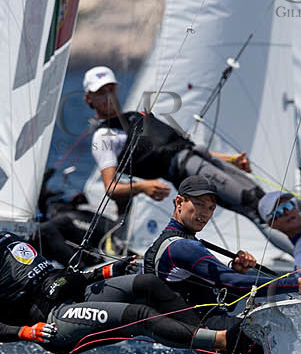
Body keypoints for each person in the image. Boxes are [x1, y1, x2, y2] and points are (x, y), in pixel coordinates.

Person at [0, 184, 236, 354]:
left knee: (147, 284)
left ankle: (206, 339)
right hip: (53, 320)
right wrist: (27, 332)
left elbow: (54, 277)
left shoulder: (4, 238)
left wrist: (105, 272)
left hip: (74, 294)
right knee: (140, 316)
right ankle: (221, 341)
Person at [142, 177, 301, 354]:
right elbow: (232, 283)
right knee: (279, 319)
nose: (204, 213)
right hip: (221, 343)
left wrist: (235, 269)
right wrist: (299, 283)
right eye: (199, 204)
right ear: (179, 202)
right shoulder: (181, 247)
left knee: (267, 312)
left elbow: (200, 290)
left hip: (209, 343)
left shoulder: (168, 243)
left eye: (211, 208)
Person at [83, 66, 272, 231]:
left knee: (262, 202)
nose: (107, 97)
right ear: (88, 98)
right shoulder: (104, 136)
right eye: (100, 93)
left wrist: (230, 160)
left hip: (201, 159)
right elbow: (110, 188)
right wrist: (142, 187)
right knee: (253, 204)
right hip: (185, 170)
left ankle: (300, 254)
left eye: (111, 90)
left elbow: (182, 147)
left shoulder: (134, 117)